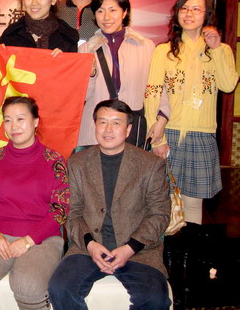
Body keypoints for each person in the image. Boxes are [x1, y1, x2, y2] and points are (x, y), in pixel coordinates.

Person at [48, 99, 171, 310]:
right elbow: (73, 213)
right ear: (95, 125)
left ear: (128, 129)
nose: (108, 129)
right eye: (102, 122)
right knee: (60, 289)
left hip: (139, 251)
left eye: (116, 123)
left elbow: (159, 214)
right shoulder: (77, 162)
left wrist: (130, 248)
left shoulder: (151, 165)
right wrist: (91, 245)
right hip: (87, 248)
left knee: (154, 298)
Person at [0, 96, 69, 310]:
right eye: (8, 120)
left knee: (28, 285)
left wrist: (28, 241)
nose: (14, 126)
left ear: (36, 121)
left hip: (41, 239)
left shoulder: (54, 161)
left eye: (20, 119)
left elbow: (60, 210)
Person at [145, 0, 239, 226]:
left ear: (206, 14)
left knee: (193, 202)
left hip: (201, 135)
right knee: (164, 201)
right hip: (169, 133)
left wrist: (216, 48)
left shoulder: (221, 50)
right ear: (176, 13)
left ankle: (191, 246)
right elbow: (152, 94)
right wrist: (157, 139)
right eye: (184, 8)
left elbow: (228, 85)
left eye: (196, 9)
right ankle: (165, 248)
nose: (189, 14)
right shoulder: (163, 51)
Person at [77, 0, 155, 149]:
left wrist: (159, 123)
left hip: (131, 131)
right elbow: (80, 97)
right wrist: (91, 75)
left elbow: (156, 91)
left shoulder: (146, 47)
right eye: (100, 11)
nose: (106, 17)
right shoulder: (86, 49)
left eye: (113, 10)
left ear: (124, 12)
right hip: (95, 132)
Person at [0, 0, 79, 56]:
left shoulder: (67, 36)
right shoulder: (11, 34)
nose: (34, 3)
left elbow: (74, 64)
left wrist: (64, 59)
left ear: (53, 0)